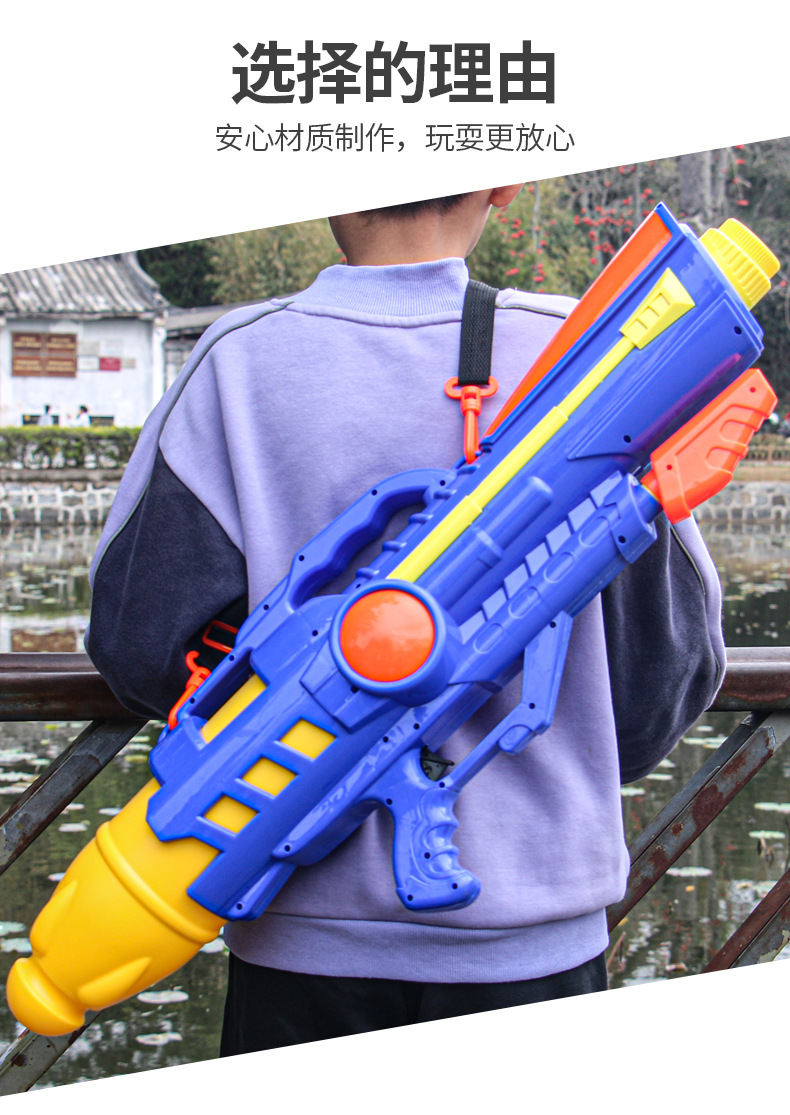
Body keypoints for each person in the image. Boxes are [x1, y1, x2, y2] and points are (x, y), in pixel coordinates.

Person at [85, 188, 725, 1052]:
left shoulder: (237, 363)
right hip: (540, 940)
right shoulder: (601, 357)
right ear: (503, 183)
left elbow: (138, 640)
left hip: (290, 928)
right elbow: (670, 672)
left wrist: (298, 706)